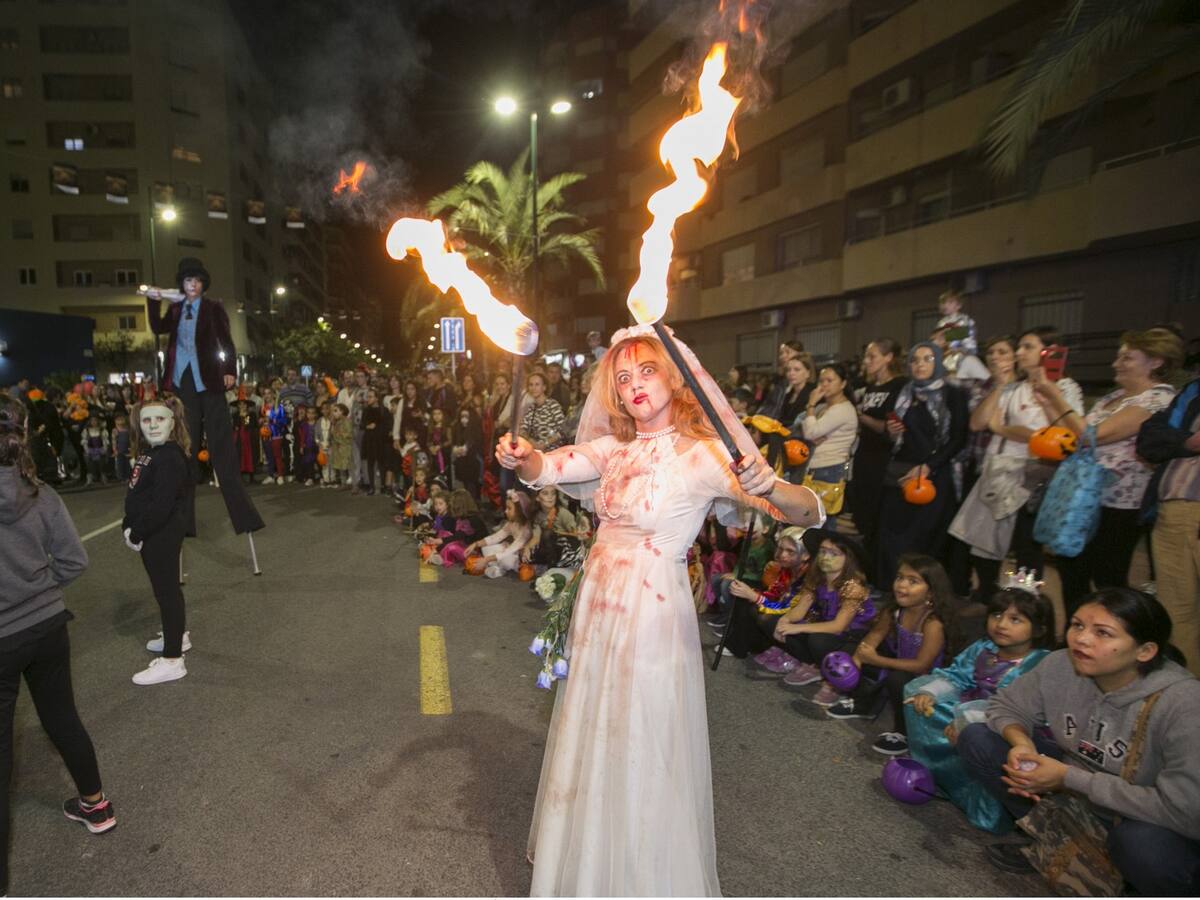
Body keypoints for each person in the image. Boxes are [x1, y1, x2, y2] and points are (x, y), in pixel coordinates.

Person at [496, 324, 823, 896]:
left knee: (642, 739)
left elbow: (806, 510)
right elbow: (550, 467)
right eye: (623, 378)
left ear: (674, 376)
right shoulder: (613, 448)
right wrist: (523, 458)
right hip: (599, 606)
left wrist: (770, 483)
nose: (634, 385)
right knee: (596, 732)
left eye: (647, 371)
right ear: (615, 394)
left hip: (651, 614)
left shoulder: (704, 455)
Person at [958, 588, 1200, 895]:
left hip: (1142, 816)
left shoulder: (1184, 703)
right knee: (979, 740)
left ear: (1145, 651)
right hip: (1074, 792)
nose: (1081, 639)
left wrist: (1069, 779)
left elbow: (1186, 811)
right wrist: (1022, 745)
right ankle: (1053, 841)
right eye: (1077, 625)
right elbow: (1007, 707)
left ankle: (1138, 881)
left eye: (1103, 633)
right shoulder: (1062, 664)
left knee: (1143, 847)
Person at [1, 399, 114, 897]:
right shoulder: (40, 493)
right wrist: (40, 589)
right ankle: (96, 804)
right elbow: (73, 561)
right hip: (47, 624)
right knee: (61, 716)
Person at [1035, 329, 1180, 614]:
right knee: (1071, 567)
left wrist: (1058, 398)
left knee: (1107, 575)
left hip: (1120, 503)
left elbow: (1095, 435)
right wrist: (1048, 402)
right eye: (1118, 356)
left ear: (1156, 362)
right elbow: (1074, 436)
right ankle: (1073, 633)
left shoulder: (1157, 400)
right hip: (1083, 496)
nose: (1116, 363)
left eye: (1127, 358)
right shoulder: (1112, 398)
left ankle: (1117, 635)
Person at [904, 584, 1055, 833]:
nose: (1002, 624)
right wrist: (930, 693)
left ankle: (986, 806)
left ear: (1039, 628)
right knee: (915, 694)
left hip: (1009, 725)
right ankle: (939, 774)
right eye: (997, 615)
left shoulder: (1039, 663)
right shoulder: (983, 648)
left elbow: (1015, 709)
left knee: (977, 733)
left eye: (1015, 619)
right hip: (969, 705)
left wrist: (966, 720)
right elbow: (956, 676)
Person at [950, 326, 1083, 601]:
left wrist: (1003, 429)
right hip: (996, 471)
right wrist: (999, 386)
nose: (1019, 353)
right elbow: (978, 423)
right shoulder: (1014, 388)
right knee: (984, 541)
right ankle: (988, 595)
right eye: (1019, 347)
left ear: (1049, 352)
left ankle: (1025, 600)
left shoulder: (1065, 388)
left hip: (1033, 474)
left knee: (1026, 546)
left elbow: (1059, 437)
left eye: (1027, 347)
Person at [145, 258, 263, 534]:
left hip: (209, 381)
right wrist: (152, 300)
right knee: (186, 451)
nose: (193, 285)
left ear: (202, 284)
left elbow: (225, 341)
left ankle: (244, 518)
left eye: (197, 280)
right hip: (182, 381)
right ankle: (184, 523)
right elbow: (157, 328)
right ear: (183, 284)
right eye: (188, 281)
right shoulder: (175, 310)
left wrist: (230, 369)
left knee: (222, 450)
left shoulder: (213, 308)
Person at [823, 554, 952, 757]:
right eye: (900, 578)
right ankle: (863, 703)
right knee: (853, 650)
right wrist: (856, 661)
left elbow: (922, 666)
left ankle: (903, 731)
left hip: (924, 678)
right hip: (898, 662)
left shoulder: (933, 622)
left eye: (913, 581)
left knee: (897, 678)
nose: (902, 585)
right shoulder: (894, 611)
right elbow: (872, 639)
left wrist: (875, 659)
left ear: (931, 592)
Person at [875, 342, 969, 585]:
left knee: (923, 539)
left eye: (927, 359)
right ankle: (890, 588)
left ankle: (923, 593)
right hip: (900, 472)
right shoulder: (903, 393)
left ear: (938, 363)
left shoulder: (953, 394)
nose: (920, 365)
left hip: (934, 474)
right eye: (915, 360)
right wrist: (893, 432)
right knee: (889, 535)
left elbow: (959, 438)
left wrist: (929, 466)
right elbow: (893, 437)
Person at [123, 397, 195, 685]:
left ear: (173, 422)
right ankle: (177, 635)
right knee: (165, 590)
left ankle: (173, 659)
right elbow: (139, 494)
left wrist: (137, 532)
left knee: (166, 593)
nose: (152, 425)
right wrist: (128, 524)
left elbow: (162, 504)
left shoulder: (170, 456)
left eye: (160, 419)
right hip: (151, 532)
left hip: (159, 534)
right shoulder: (154, 452)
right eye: (146, 420)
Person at [1137, 373, 1200, 678]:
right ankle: (1184, 694)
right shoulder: (1192, 391)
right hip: (1171, 510)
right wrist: (1188, 441)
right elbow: (1149, 439)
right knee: (1176, 611)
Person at [762, 529, 873, 679]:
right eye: (822, 551)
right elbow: (800, 610)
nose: (825, 557)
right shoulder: (817, 579)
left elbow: (838, 626)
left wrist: (796, 628)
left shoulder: (853, 587)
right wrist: (784, 620)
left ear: (848, 559)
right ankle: (808, 662)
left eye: (834, 553)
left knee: (817, 639)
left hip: (850, 636)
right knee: (772, 621)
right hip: (825, 626)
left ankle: (821, 668)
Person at [847, 338, 906, 562]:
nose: (867, 361)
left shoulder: (899, 386)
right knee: (861, 512)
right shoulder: (872, 387)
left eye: (873, 356)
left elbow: (888, 427)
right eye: (866, 356)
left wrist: (861, 416)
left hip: (883, 459)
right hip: (864, 455)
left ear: (889, 357)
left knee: (877, 515)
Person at [800, 362, 858, 528]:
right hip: (816, 466)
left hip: (830, 468)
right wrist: (813, 431)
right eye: (821, 381)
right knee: (811, 517)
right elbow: (807, 432)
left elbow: (811, 433)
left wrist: (810, 405)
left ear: (843, 383)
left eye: (829, 380)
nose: (824, 385)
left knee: (823, 519)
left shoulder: (843, 409)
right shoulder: (824, 407)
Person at [462, 490, 532, 578]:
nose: (506, 511)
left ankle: (498, 569)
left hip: (520, 557)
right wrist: (475, 544)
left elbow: (512, 549)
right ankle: (496, 566)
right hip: (511, 550)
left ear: (519, 510)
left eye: (509, 508)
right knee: (486, 548)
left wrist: (486, 559)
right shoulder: (511, 523)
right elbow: (496, 537)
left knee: (507, 560)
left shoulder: (526, 529)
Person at [519, 372, 566, 452]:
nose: (533, 388)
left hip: (553, 451)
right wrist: (531, 441)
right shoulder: (531, 408)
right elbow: (523, 429)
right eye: (531, 385)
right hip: (535, 450)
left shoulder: (553, 405)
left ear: (544, 387)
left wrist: (545, 443)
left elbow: (563, 429)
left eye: (537, 384)